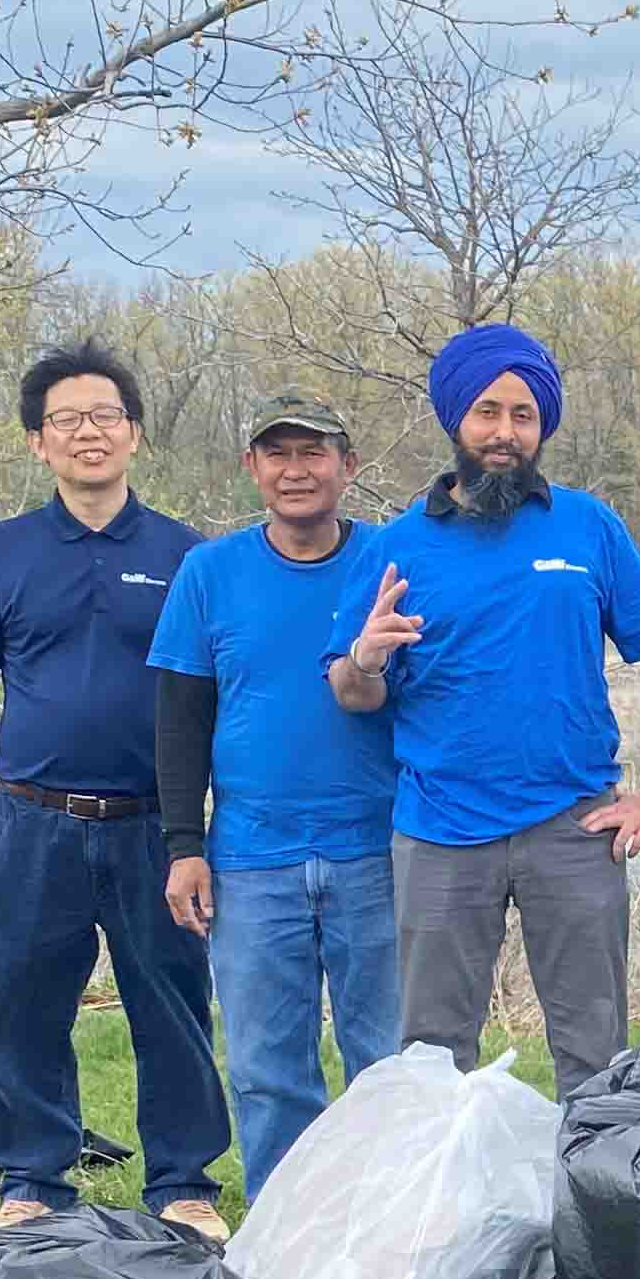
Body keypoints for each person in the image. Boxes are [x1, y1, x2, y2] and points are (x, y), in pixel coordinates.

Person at [324, 323, 640, 1095]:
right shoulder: (399, 546)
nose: (504, 433)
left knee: (596, 1054)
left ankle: (596, 1209)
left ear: (542, 427)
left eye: (524, 416)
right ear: (456, 418)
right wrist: (366, 657)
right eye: (487, 412)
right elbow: (352, 693)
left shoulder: (588, 526)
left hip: (574, 826)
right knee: (430, 1057)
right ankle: (438, 1214)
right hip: (440, 832)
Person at [0, 340, 231, 1239]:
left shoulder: (191, 557)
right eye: (65, 419)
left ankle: (182, 1183)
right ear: (39, 443)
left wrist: (202, 834)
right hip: (30, 820)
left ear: (134, 434)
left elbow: (216, 694)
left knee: (172, 1006)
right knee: (23, 1004)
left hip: (155, 827)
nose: (87, 433)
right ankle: (31, 1182)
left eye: (105, 415)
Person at [149, 396, 402, 1197]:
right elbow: (181, 717)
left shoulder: (392, 560)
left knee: (391, 1064)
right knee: (266, 1070)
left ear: (347, 466)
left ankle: (395, 1234)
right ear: (252, 468)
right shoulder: (210, 572)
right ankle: (285, 1237)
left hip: (379, 850)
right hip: (252, 859)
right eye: (278, 453)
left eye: (314, 452)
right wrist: (184, 846)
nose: (297, 469)